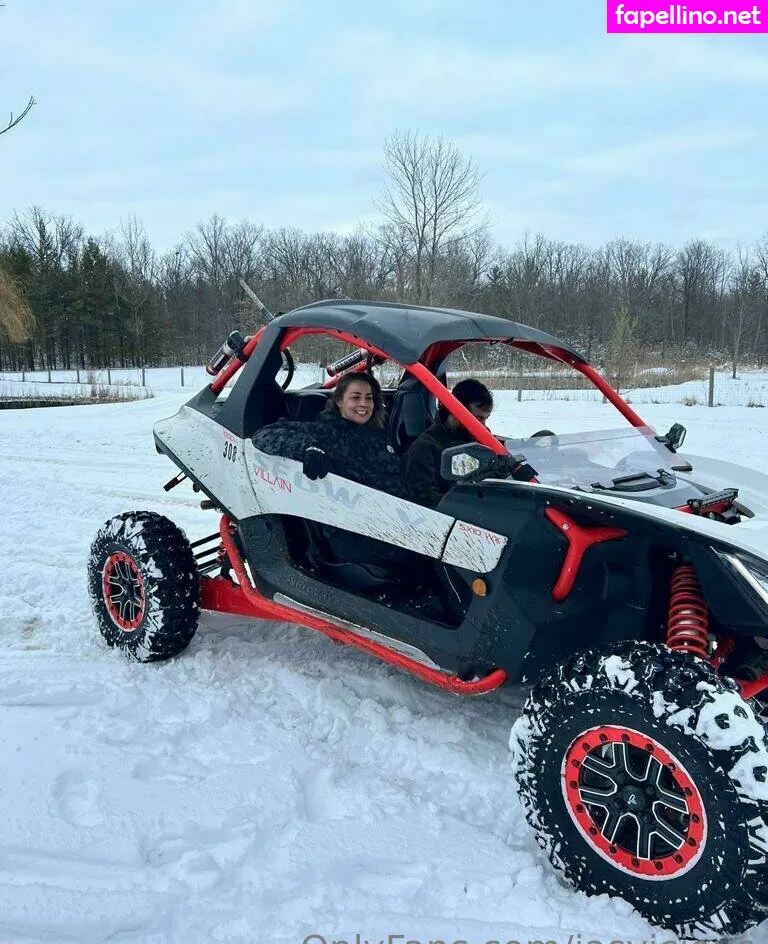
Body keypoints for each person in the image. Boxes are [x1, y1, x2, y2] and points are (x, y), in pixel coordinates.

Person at [405, 378, 494, 508]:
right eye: (478, 419)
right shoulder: (425, 448)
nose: (483, 426)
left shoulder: (481, 438)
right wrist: (469, 505)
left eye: (485, 419)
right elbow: (425, 498)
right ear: (456, 412)